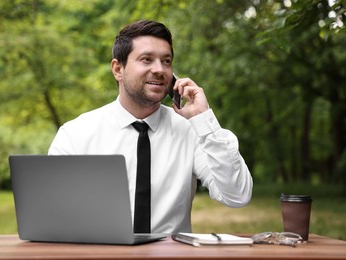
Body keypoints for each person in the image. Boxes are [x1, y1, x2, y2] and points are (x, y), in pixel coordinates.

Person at [48, 20, 253, 234]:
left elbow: (237, 196)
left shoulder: (191, 131)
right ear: (118, 69)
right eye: (146, 59)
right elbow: (52, 211)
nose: (159, 70)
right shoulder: (75, 133)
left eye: (166, 61)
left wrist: (203, 119)